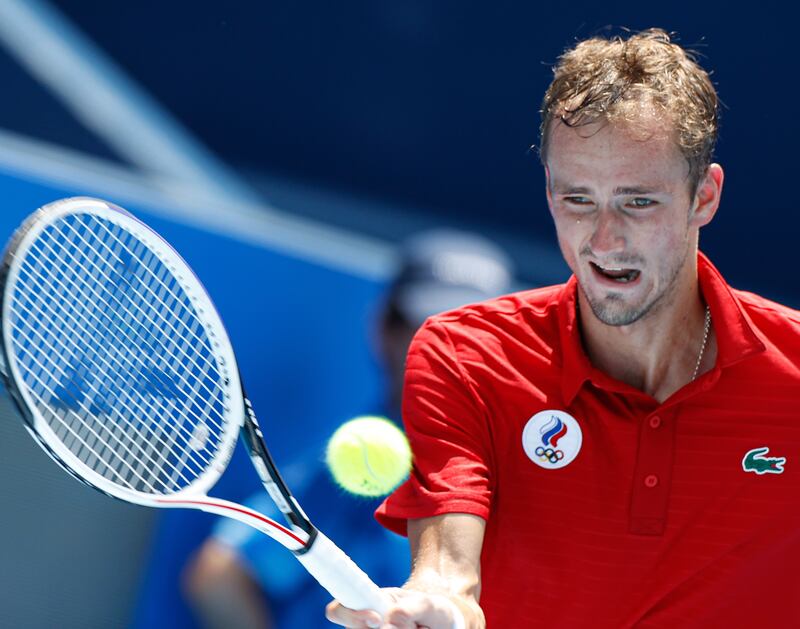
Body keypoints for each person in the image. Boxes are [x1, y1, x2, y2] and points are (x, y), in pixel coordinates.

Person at [327, 28, 800, 629]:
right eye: (578, 200)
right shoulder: (464, 356)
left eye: (638, 202)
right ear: (549, 192)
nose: (603, 241)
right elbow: (447, 566)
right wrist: (441, 603)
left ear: (703, 198)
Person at [183, 230, 514, 628]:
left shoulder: (527, 467)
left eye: (468, 334)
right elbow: (220, 573)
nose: (450, 352)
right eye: (427, 329)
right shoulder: (355, 463)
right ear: (384, 332)